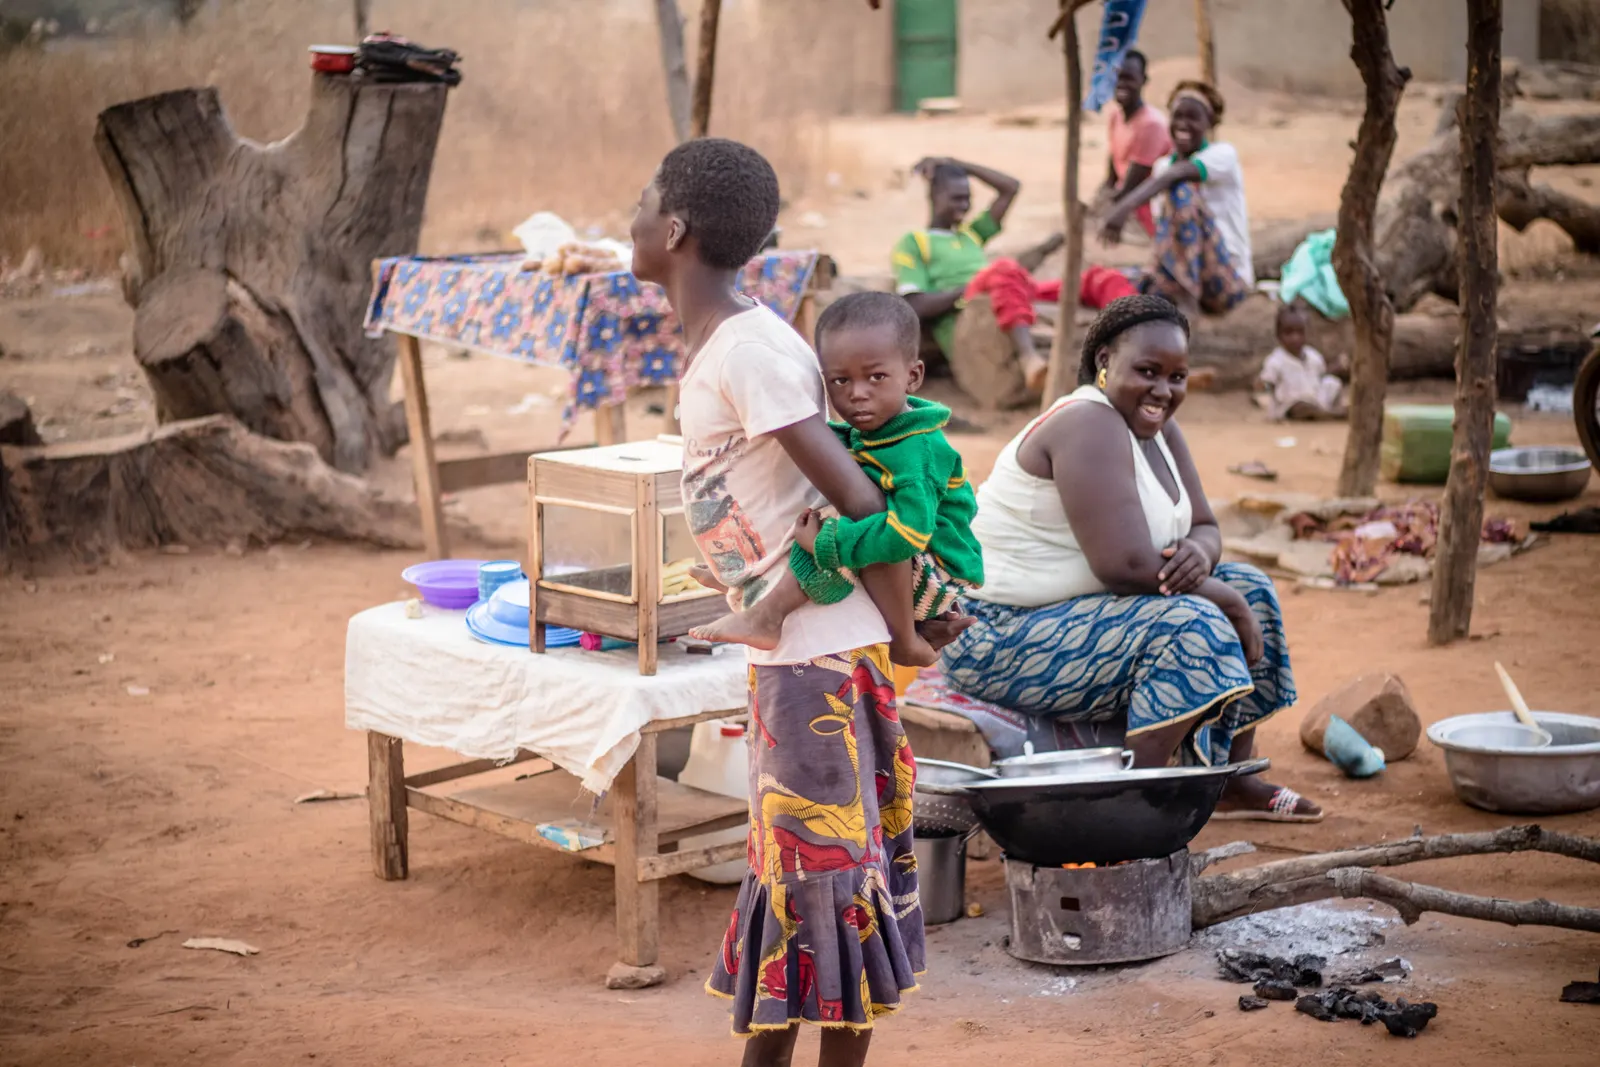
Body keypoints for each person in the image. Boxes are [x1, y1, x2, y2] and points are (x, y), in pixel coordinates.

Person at [629, 137, 940, 1065]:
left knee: (824, 895)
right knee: (810, 887)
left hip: (814, 661)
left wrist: (891, 624)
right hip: (803, 656)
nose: (632, 219)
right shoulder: (738, 342)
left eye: (643, 202)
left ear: (675, 228)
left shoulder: (754, 349)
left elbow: (857, 500)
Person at [938, 295, 1323, 823]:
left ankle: (1237, 776)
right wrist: (1224, 599)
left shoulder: (1160, 429)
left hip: (1081, 613)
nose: (1163, 390)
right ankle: (1131, 805)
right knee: (1194, 621)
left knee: (1253, 584)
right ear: (1103, 363)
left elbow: (1207, 527)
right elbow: (1125, 567)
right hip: (997, 633)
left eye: (1177, 377)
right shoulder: (1086, 424)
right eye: (1147, 371)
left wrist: (1199, 555)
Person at [688, 291, 984, 657]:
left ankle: (768, 613)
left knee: (833, 519)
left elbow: (906, 535)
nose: (858, 394)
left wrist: (830, 546)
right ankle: (744, 581)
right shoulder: (885, 430)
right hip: (913, 565)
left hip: (939, 573)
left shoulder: (918, 453)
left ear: (913, 376)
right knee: (829, 492)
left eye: (876, 377)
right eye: (840, 382)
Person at [890, 158, 1063, 397]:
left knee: (1096, 279)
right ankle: (1028, 356)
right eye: (956, 198)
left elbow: (1011, 187)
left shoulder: (970, 235)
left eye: (968, 198)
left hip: (1001, 290)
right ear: (935, 197)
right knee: (1002, 267)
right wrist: (972, 286)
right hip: (970, 307)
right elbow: (913, 304)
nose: (965, 205)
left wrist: (956, 164)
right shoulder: (915, 242)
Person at [1101, 81, 1255, 318]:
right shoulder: (1162, 166)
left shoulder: (1223, 155)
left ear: (1209, 124)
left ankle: (1185, 299)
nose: (1184, 124)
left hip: (1227, 280)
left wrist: (1124, 207)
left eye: (1193, 117)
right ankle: (1172, 292)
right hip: (1185, 275)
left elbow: (1177, 174)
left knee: (1179, 189)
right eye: (1178, 116)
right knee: (1131, 287)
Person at [1095, 50, 1172, 239]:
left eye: (1129, 78)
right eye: (1117, 77)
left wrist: (1107, 208)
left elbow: (1132, 187)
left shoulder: (1150, 125)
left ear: (1143, 80)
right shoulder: (1116, 116)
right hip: (1127, 200)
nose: (1122, 84)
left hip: (1147, 206)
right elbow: (1112, 171)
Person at [1260, 303, 1347, 420]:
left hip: (1315, 400)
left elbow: (1320, 376)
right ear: (1278, 335)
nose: (1295, 338)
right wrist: (1264, 387)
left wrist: (1336, 368)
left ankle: (1328, 412)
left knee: (1332, 383)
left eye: (1300, 332)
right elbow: (1267, 383)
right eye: (1288, 333)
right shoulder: (1275, 360)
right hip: (1291, 406)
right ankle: (1330, 414)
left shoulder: (1313, 356)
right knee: (1301, 407)